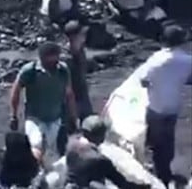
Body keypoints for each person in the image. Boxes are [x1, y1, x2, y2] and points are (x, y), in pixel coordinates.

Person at [139, 25, 192, 186]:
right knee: (168, 141)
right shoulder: (187, 60)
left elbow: (143, 80)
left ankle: (159, 175)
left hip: (155, 107)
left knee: (155, 143)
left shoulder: (156, 59)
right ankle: (166, 173)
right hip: (173, 107)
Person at [9, 41, 77, 164]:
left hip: (55, 118)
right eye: (50, 59)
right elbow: (16, 91)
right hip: (35, 118)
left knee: (54, 149)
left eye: (56, 57)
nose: (54, 62)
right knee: (36, 145)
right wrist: (13, 115)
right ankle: (37, 174)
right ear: (42, 58)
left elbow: (69, 94)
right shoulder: (30, 71)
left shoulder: (63, 70)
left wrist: (72, 116)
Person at [65, 115, 149, 189]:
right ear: (101, 138)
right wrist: (145, 187)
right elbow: (123, 184)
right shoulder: (100, 160)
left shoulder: (71, 144)